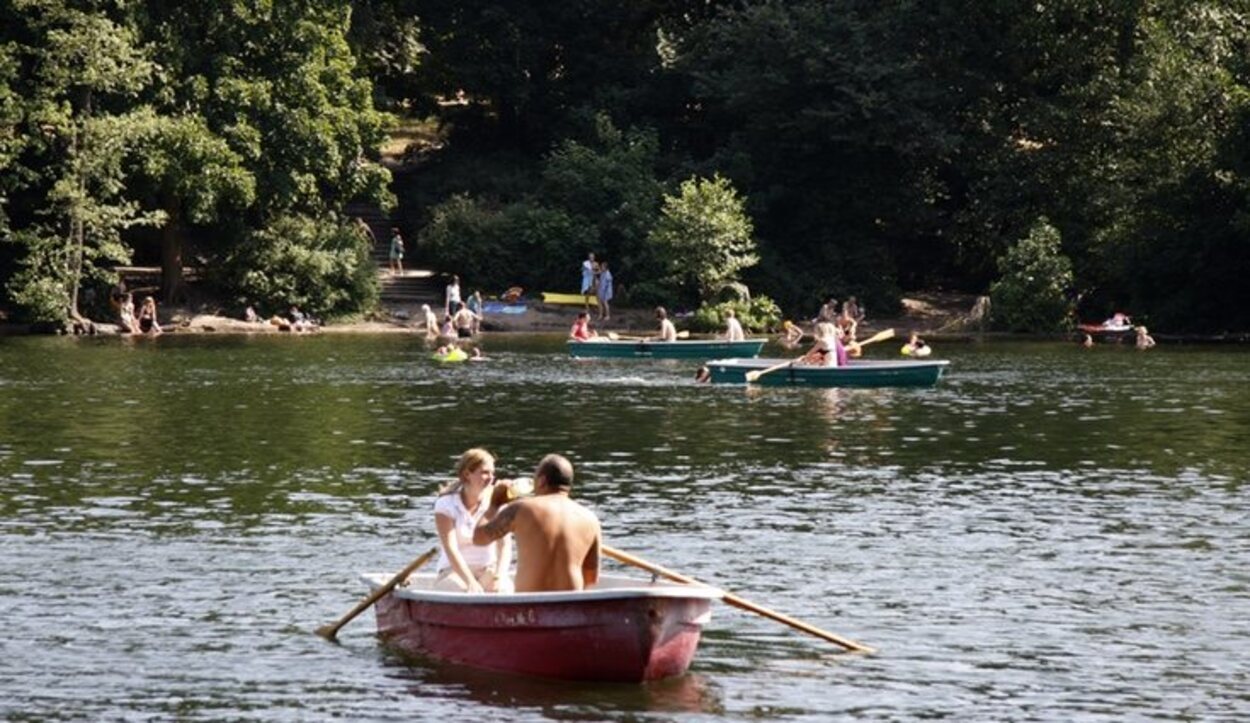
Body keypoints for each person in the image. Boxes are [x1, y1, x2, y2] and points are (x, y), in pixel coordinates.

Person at [473, 453, 600, 593]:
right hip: (569, 604)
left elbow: (478, 538)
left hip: (529, 604)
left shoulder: (521, 509)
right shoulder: (590, 519)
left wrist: (494, 505)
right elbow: (591, 579)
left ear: (541, 481)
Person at [433, 448, 513, 593]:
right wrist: (470, 582)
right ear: (467, 474)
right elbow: (451, 549)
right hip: (453, 571)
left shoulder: (497, 500)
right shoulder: (446, 503)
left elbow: (504, 546)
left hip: (488, 569)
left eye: (492, 473)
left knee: (503, 589)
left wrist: (499, 576)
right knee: (460, 591)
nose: (490, 478)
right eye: (484, 473)